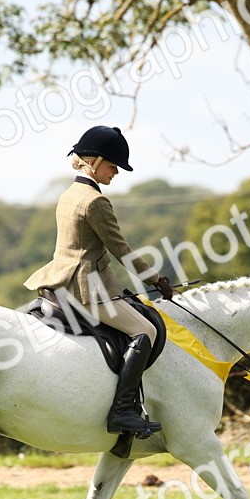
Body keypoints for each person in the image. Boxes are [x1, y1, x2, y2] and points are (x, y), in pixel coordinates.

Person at [24, 125, 176, 436]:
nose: (116, 172)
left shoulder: (68, 194)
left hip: (60, 278)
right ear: (93, 162)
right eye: (113, 165)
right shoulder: (95, 201)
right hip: (87, 287)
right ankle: (122, 411)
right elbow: (122, 251)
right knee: (145, 330)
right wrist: (156, 278)